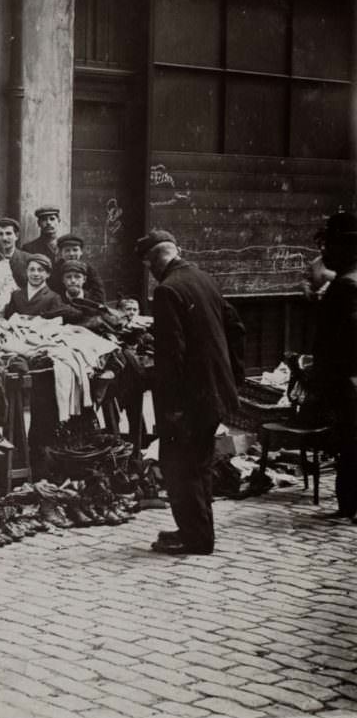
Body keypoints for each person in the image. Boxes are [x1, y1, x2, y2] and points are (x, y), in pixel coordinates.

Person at [138, 229, 245, 555]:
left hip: (188, 400)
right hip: (213, 392)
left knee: (179, 466)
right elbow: (236, 327)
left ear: (155, 260)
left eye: (148, 265)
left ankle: (195, 538)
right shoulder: (203, 278)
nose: (150, 272)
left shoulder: (168, 291)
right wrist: (231, 376)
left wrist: (171, 408)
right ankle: (196, 531)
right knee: (198, 464)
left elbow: (173, 357)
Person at [309, 211, 357, 522]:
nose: (325, 254)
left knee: (350, 442)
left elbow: (343, 337)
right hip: (349, 378)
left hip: (348, 380)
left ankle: (349, 505)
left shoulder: (346, 286)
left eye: (330, 246)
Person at [4, 254, 65, 319]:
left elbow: (55, 324)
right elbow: (8, 319)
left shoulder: (53, 298)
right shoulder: (16, 295)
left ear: (48, 274)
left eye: (40, 270)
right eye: (32, 270)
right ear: (26, 271)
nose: (36, 274)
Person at [50, 234, 105, 303]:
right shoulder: (55, 270)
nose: (71, 254)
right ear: (61, 253)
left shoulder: (89, 269)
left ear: (81, 252)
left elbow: (99, 294)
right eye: (67, 250)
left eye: (75, 250)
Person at [0, 217, 29, 289]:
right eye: (0, 234)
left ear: (16, 236)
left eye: (8, 233)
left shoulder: (28, 259)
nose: (4, 238)